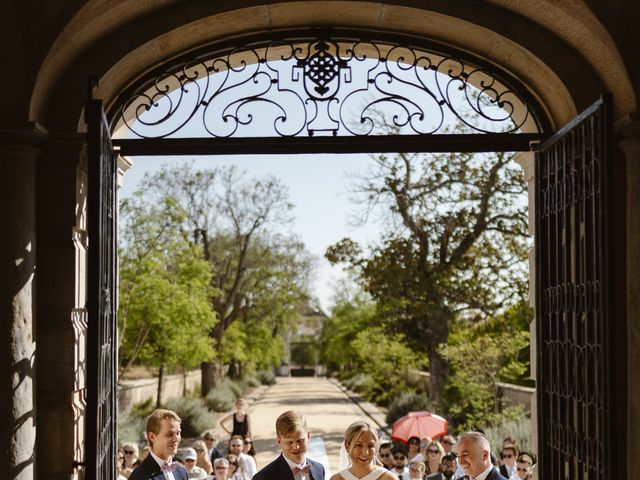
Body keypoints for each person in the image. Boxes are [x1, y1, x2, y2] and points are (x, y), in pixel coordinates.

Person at [253, 410, 325, 480]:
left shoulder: (319, 469)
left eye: (300, 441)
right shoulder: (263, 477)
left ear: (308, 436)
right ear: (279, 441)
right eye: (289, 442)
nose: (296, 447)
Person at [128, 408, 189, 480]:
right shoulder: (139, 476)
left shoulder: (182, 472)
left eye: (178, 433)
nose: (176, 439)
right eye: (169, 434)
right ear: (152, 437)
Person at [330, 420, 396, 480]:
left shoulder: (388, 478)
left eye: (370, 446)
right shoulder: (337, 478)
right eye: (359, 445)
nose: (365, 452)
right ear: (347, 446)